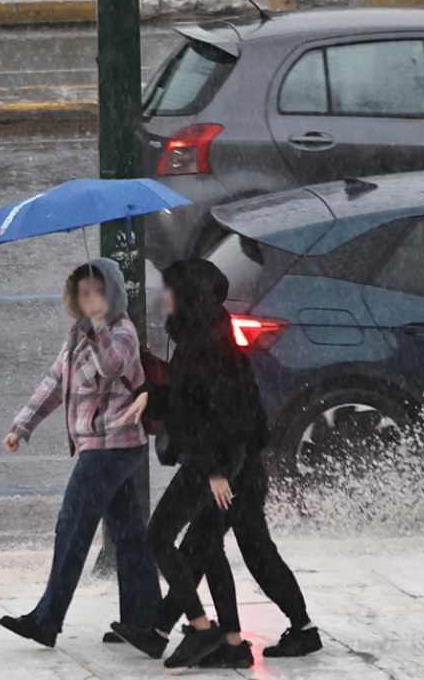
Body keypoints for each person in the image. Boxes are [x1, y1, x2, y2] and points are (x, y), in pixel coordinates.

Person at [112, 259, 321, 667]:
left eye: (171, 288)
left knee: (223, 547)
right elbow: (188, 398)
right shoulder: (201, 336)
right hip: (229, 464)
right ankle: (211, 638)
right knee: (205, 546)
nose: (164, 295)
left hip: (230, 468)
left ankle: (259, 632)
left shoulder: (208, 344)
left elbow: (230, 414)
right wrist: (150, 395)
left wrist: (217, 471)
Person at [0, 259, 161, 648]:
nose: (89, 299)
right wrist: (22, 426)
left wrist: (101, 325)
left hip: (113, 446)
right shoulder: (76, 334)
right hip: (100, 446)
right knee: (129, 535)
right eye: (83, 292)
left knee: (71, 527)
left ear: (112, 294)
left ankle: (47, 620)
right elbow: (54, 383)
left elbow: (112, 364)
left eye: (96, 291)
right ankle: (148, 624)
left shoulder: (121, 331)